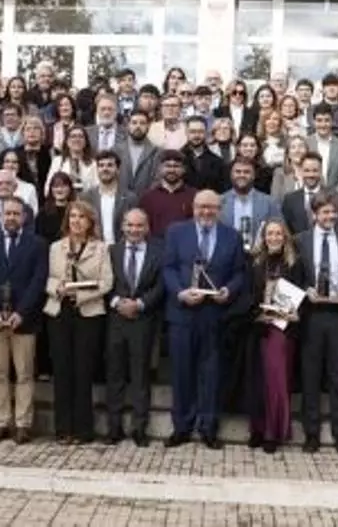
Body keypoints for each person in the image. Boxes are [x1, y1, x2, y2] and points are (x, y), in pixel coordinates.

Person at [162, 190, 247, 449]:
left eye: (211, 207)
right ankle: (182, 427)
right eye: (201, 207)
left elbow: (239, 273)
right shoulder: (176, 232)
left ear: (220, 209)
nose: (206, 212)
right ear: (193, 207)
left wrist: (229, 290)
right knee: (182, 373)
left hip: (214, 316)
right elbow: (168, 268)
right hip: (182, 314)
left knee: (211, 374)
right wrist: (180, 293)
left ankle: (209, 427)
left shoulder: (232, 236)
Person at [0, 196, 49, 444]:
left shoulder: (37, 244)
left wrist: (22, 312)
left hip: (24, 320)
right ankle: (0, 422)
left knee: (24, 373)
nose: (11, 218)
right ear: (0, 216)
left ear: (24, 217)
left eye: (16, 214)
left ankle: (23, 424)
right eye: (7, 213)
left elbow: (38, 281)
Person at [45, 201, 114, 445]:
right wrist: (58, 289)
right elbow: (48, 278)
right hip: (59, 311)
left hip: (88, 312)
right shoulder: (56, 247)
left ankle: (84, 429)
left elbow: (106, 282)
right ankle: (63, 428)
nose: (76, 221)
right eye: (72, 216)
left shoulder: (101, 249)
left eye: (81, 217)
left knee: (83, 371)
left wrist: (81, 295)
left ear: (90, 222)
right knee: (62, 370)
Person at [297, 193, 338, 455]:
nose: (330, 216)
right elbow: (295, 275)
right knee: (310, 376)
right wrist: (305, 290)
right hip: (311, 315)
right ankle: (311, 433)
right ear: (314, 215)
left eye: (333, 212)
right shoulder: (301, 240)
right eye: (325, 212)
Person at [104, 208, 163, 447]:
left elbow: (160, 285)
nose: (134, 230)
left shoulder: (158, 252)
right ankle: (114, 427)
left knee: (140, 375)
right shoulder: (111, 252)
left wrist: (139, 304)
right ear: (122, 227)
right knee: (115, 374)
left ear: (147, 228)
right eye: (129, 225)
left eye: (139, 225)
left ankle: (139, 428)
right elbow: (105, 282)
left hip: (143, 320)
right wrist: (117, 303)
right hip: (116, 320)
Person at [246, 219, 304, 454]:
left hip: (282, 330)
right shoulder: (255, 263)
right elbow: (249, 295)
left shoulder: (294, 264)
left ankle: (274, 431)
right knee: (258, 382)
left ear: (285, 236)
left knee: (277, 381)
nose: (274, 237)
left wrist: (292, 314)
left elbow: (300, 296)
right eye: (269, 233)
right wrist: (258, 315)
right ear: (263, 237)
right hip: (259, 328)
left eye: (278, 233)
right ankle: (258, 429)